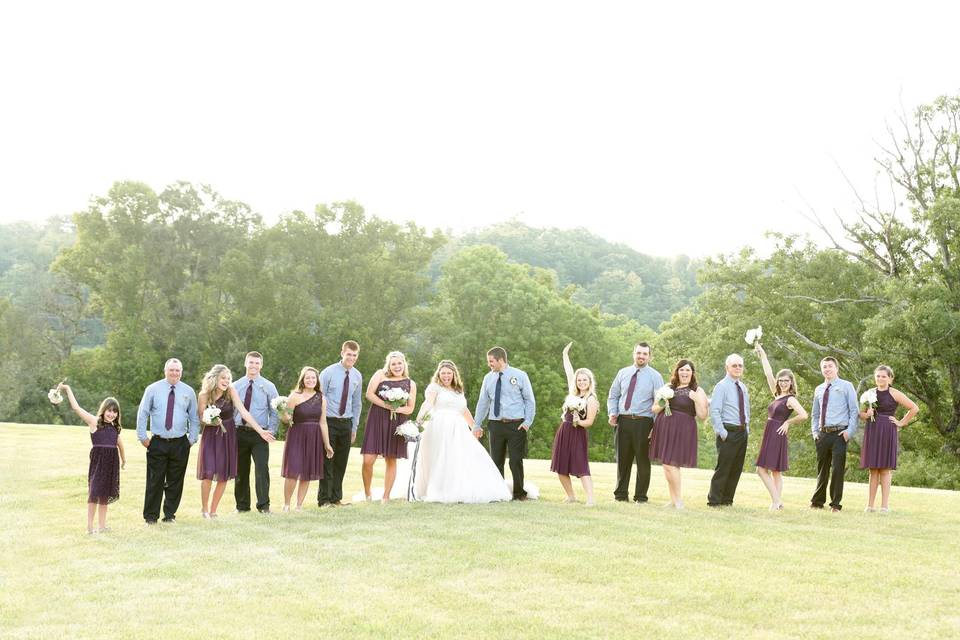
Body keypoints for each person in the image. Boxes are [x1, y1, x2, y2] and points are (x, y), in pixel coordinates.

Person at [413, 360, 511, 503]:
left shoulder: (458, 390)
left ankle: (458, 487)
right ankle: (438, 489)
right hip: (439, 426)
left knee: (460, 456)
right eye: (443, 373)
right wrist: (418, 421)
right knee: (441, 457)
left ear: (454, 374)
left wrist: (475, 426)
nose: (446, 376)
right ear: (438, 374)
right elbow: (427, 403)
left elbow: (463, 410)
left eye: (449, 373)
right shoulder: (434, 387)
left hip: (458, 427)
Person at [196, 364, 274, 518]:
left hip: (228, 436)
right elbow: (201, 419)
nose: (226, 381)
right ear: (215, 378)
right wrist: (210, 420)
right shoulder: (204, 395)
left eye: (228, 378)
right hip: (211, 437)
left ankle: (213, 511)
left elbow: (244, 412)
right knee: (208, 474)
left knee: (224, 475)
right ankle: (204, 509)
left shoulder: (231, 391)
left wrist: (261, 431)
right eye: (223, 378)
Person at [136, 358, 200, 524]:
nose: (174, 373)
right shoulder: (153, 389)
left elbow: (194, 418)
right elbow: (143, 413)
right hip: (158, 442)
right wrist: (143, 437)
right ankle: (151, 516)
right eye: (171, 370)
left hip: (180, 443)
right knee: (154, 480)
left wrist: (191, 439)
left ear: (181, 372)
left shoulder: (188, 392)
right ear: (165, 371)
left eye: (177, 370)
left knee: (175, 481)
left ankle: (169, 514)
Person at [58, 384, 126, 533]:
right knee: (94, 493)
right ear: (103, 410)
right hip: (98, 464)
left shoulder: (115, 428)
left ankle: (102, 526)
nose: (112, 414)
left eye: (115, 412)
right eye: (109, 410)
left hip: (111, 465)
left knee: (104, 496)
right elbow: (76, 408)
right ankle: (90, 527)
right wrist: (68, 388)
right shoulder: (94, 422)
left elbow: (119, 444)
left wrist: (124, 460)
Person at [474, 347, 537, 500]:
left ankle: (519, 493)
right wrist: (477, 424)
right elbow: (483, 402)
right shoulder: (488, 378)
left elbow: (529, 400)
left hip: (516, 425)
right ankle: (498, 492)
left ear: (500, 360)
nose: (489, 364)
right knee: (496, 460)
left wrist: (528, 421)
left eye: (491, 361)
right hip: (495, 424)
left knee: (515, 460)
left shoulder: (520, 375)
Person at [607, 342, 664, 503]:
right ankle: (620, 495)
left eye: (645, 354)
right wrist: (613, 412)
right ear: (634, 353)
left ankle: (640, 497)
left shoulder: (655, 376)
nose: (641, 356)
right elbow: (613, 396)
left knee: (643, 461)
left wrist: (656, 427)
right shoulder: (623, 373)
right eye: (639, 353)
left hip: (644, 423)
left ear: (649, 356)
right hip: (623, 421)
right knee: (622, 460)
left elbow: (660, 402)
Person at [753, 345, 808, 510]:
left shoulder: (790, 399)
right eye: (781, 380)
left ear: (791, 383)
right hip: (770, 432)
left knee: (760, 470)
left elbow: (804, 415)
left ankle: (777, 500)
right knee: (776, 471)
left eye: (786, 380)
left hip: (778, 432)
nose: (783, 383)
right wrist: (763, 354)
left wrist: (787, 423)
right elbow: (768, 373)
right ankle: (776, 503)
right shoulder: (777, 395)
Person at [649, 359, 708, 510]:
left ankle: (679, 500)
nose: (684, 372)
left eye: (688, 370)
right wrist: (663, 402)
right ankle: (673, 500)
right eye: (682, 370)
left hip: (683, 429)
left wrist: (696, 400)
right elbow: (654, 408)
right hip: (664, 427)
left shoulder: (697, 390)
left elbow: (702, 416)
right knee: (666, 465)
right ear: (677, 372)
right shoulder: (669, 387)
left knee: (672, 463)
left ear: (692, 373)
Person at [859, 365, 919, 512]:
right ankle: (870, 505)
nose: (880, 378)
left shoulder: (894, 393)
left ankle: (884, 506)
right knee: (873, 469)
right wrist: (867, 414)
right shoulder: (869, 393)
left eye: (883, 376)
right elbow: (861, 414)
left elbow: (914, 408)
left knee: (885, 469)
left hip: (887, 429)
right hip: (872, 429)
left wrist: (901, 422)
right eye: (878, 376)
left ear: (890, 378)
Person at [360, 351, 416, 503]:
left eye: (399, 363)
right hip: (376, 419)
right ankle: (367, 493)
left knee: (391, 460)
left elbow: (410, 408)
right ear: (389, 365)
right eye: (394, 364)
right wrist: (387, 405)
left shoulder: (410, 383)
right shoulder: (380, 374)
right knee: (368, 460)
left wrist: (396, 409)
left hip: (396, 423)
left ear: (404, 364)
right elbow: (369, 394)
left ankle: (386, 496)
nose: (397, 366)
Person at [550, 342, 598, 505]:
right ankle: (571, 496)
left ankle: (590, 499)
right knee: (560, 465)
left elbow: (590, 422)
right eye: (579, 380)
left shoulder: (591, 399)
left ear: (589, 381)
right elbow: (569, 372)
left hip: (578, 433)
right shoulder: (573, 393)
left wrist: (579, 421)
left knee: (581, 466)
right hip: (564, 430)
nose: (581, 382)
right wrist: (565, 355)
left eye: (584, 380)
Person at [809, 356, 859, 512]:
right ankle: (817, 502)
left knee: (837, 469)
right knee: (822, 469)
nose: (827, 369)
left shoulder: (846, 386)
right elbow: (815, 414)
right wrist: (815, 432)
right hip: (822, 434)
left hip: (839, 434)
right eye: (824, 367)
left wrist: (849, 432)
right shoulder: (818, 389)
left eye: (830, 366)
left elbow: (854, 411)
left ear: (836, 368)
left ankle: (835, 504)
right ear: (821, 369)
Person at [232, 351, 280, 514]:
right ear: (245, 363)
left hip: (260, 434)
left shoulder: (269, 386)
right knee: (240, 470)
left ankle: (263, 505)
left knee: (261, 468)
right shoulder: (235, 385)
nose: (254, 366)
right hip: (239, 432)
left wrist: (271, 431)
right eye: (251, 362)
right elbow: (231, 410)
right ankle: (242, 506)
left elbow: (275, 411)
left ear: (261, 365)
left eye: (257, 363)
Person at [282, 366, 335, 511]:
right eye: (308, 378)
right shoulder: (294, 396)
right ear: (303, 380)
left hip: (314, 437)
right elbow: (287, 419)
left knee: (306, 472)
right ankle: (286, 505)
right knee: (293, 471)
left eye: (313, 378)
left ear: (317, 380)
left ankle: (299, 506)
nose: (311, 380)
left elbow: (323, 422)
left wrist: (327, 444)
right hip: (297, 436)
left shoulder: (322, 398)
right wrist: (284, 414)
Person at [318, 341, 362, 507]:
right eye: (349, 354)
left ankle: (336, 498)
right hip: (328, 421)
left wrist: (354, 427)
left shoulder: (357, 376)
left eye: (354, 355)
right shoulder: (328, 372)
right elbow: (319, 398)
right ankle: (324, 500)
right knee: (327, 461)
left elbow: (357, 403)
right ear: (342, 353)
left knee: (341, 462)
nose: (351, 358)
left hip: (347, 423)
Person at [707, 354, 750, 507]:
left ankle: (727, 500)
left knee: (736, 468)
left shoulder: (742, 387)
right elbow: (715, 411)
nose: (738, 368)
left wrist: (747, 429)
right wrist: (722, 432)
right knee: (723, 468)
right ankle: (714, 500)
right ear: (727, 368)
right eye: (734, 365)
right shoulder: (721, 386)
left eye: (740, 365)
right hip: (728, 432)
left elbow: (746, 410)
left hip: (742, 432)